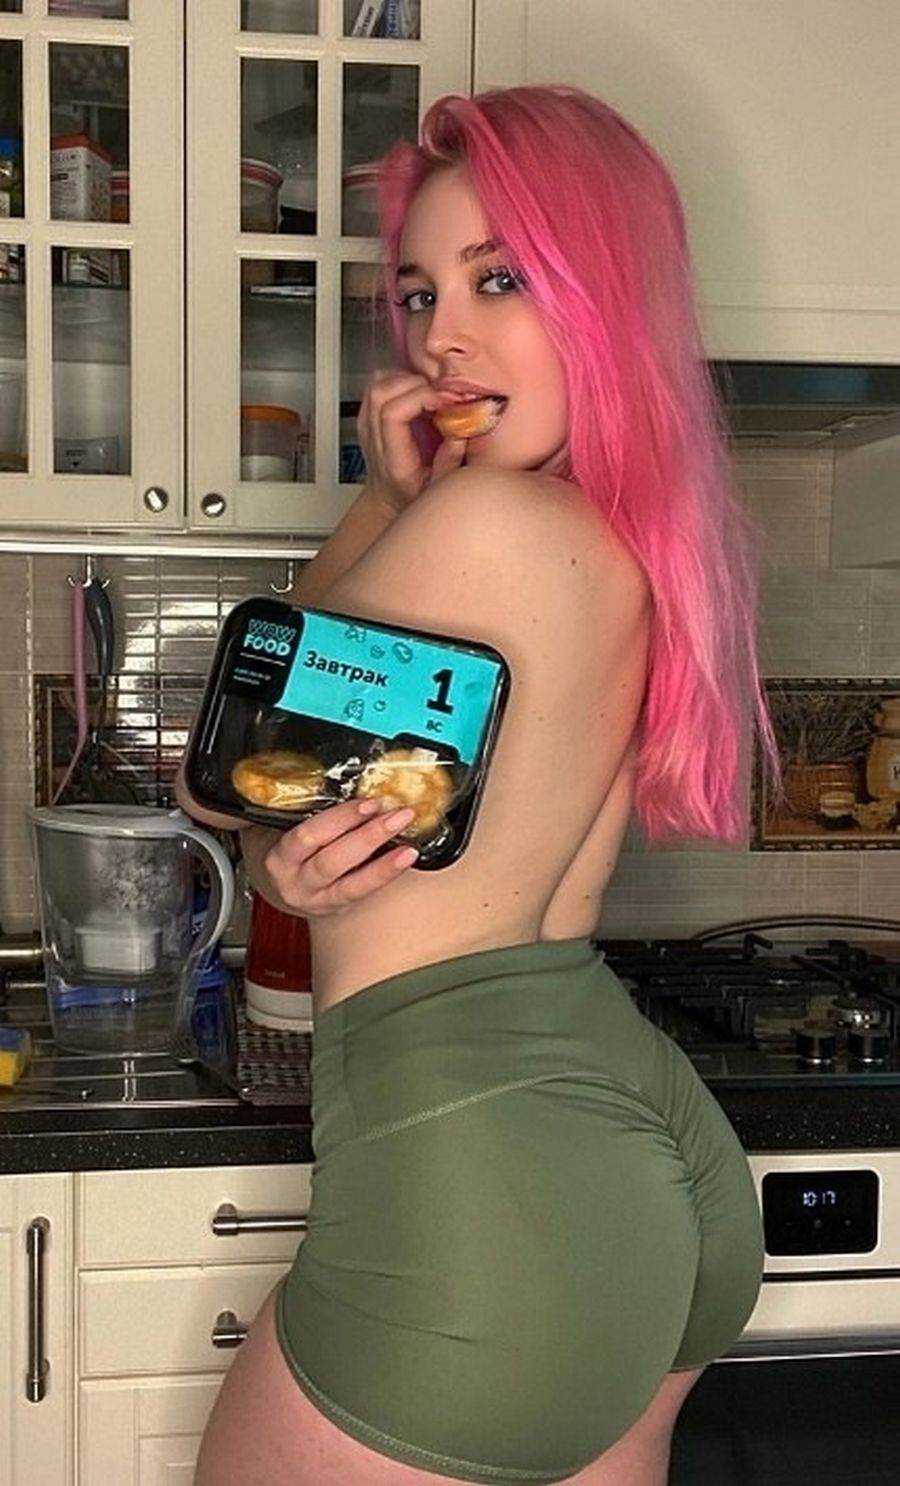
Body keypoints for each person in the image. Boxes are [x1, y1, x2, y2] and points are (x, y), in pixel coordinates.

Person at [187, 84, 774, 1486]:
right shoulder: (627, 542)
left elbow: (228, 774)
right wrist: (284, 851)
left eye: (497, 278)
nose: (440, 336)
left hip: (476, 1152)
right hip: (642, 1151)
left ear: (605, 298)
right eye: (420, 292)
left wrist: (383, 499)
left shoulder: (485, 521)